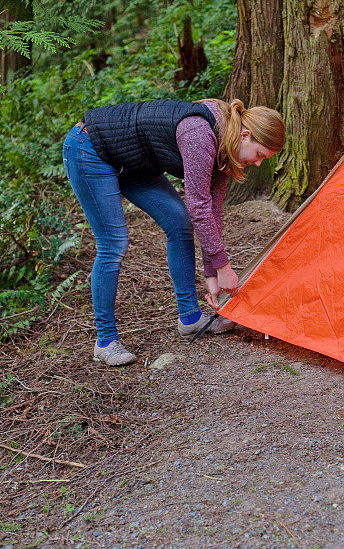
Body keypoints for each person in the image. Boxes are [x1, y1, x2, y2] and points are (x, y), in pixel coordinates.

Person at [62, 98, 285, 366]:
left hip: (136, 163)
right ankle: (105, 342)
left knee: (180, 223)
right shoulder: (199, 134)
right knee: (114, 243)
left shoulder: (227, 148)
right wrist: (224, 266)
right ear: (245, 135)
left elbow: (211, 211)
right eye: (259, 155)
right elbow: (198, 206)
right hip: (90, 149)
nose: (258, 163)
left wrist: (212, 272)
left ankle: (190, 317)